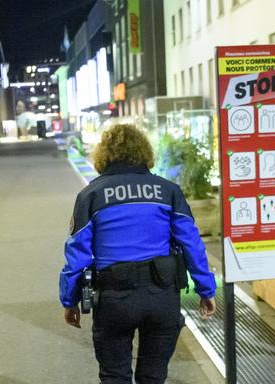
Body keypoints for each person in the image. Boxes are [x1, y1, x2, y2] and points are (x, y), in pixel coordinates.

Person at [59, 124, 217, 384]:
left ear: (104, 155)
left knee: (115, 376)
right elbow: (192, 245)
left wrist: (69, 300)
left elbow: (77, 255)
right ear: (144, 152)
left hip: (114, 300)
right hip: (162, 296)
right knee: (153, 377)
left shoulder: (91, 195)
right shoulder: (168, 192)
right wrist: (206, 289)